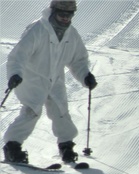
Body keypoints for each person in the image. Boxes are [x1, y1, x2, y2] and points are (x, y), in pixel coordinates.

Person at [2, 0, 97, 165]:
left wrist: (85, 75)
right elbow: (19, 55)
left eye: (69, 15)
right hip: (32, 78)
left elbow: (78, 60)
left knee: (61, 111)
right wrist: (15, 74)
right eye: (62, 14)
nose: (65, 19)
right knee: (32, 111)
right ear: (53, 12)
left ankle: (66, 146)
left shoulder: (71, 34)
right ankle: (12, 147)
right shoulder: (38, 29)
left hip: (55, 79)